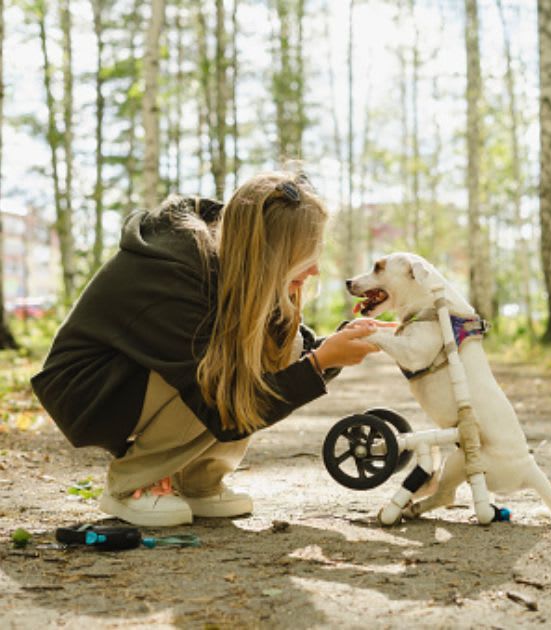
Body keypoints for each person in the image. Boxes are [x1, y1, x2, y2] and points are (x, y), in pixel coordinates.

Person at [32, 172, 388, 527]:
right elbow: (222, 405)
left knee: (288, 345)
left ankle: (198, 481)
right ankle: (131, 485)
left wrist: (335, 346)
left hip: (148, 374)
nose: (314, 269)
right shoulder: (176, 273)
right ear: (267, 251)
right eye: (302, 256)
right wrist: (320, 363)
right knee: (218, 372)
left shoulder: (237, 259)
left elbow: (293, 352)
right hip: (89, 387)